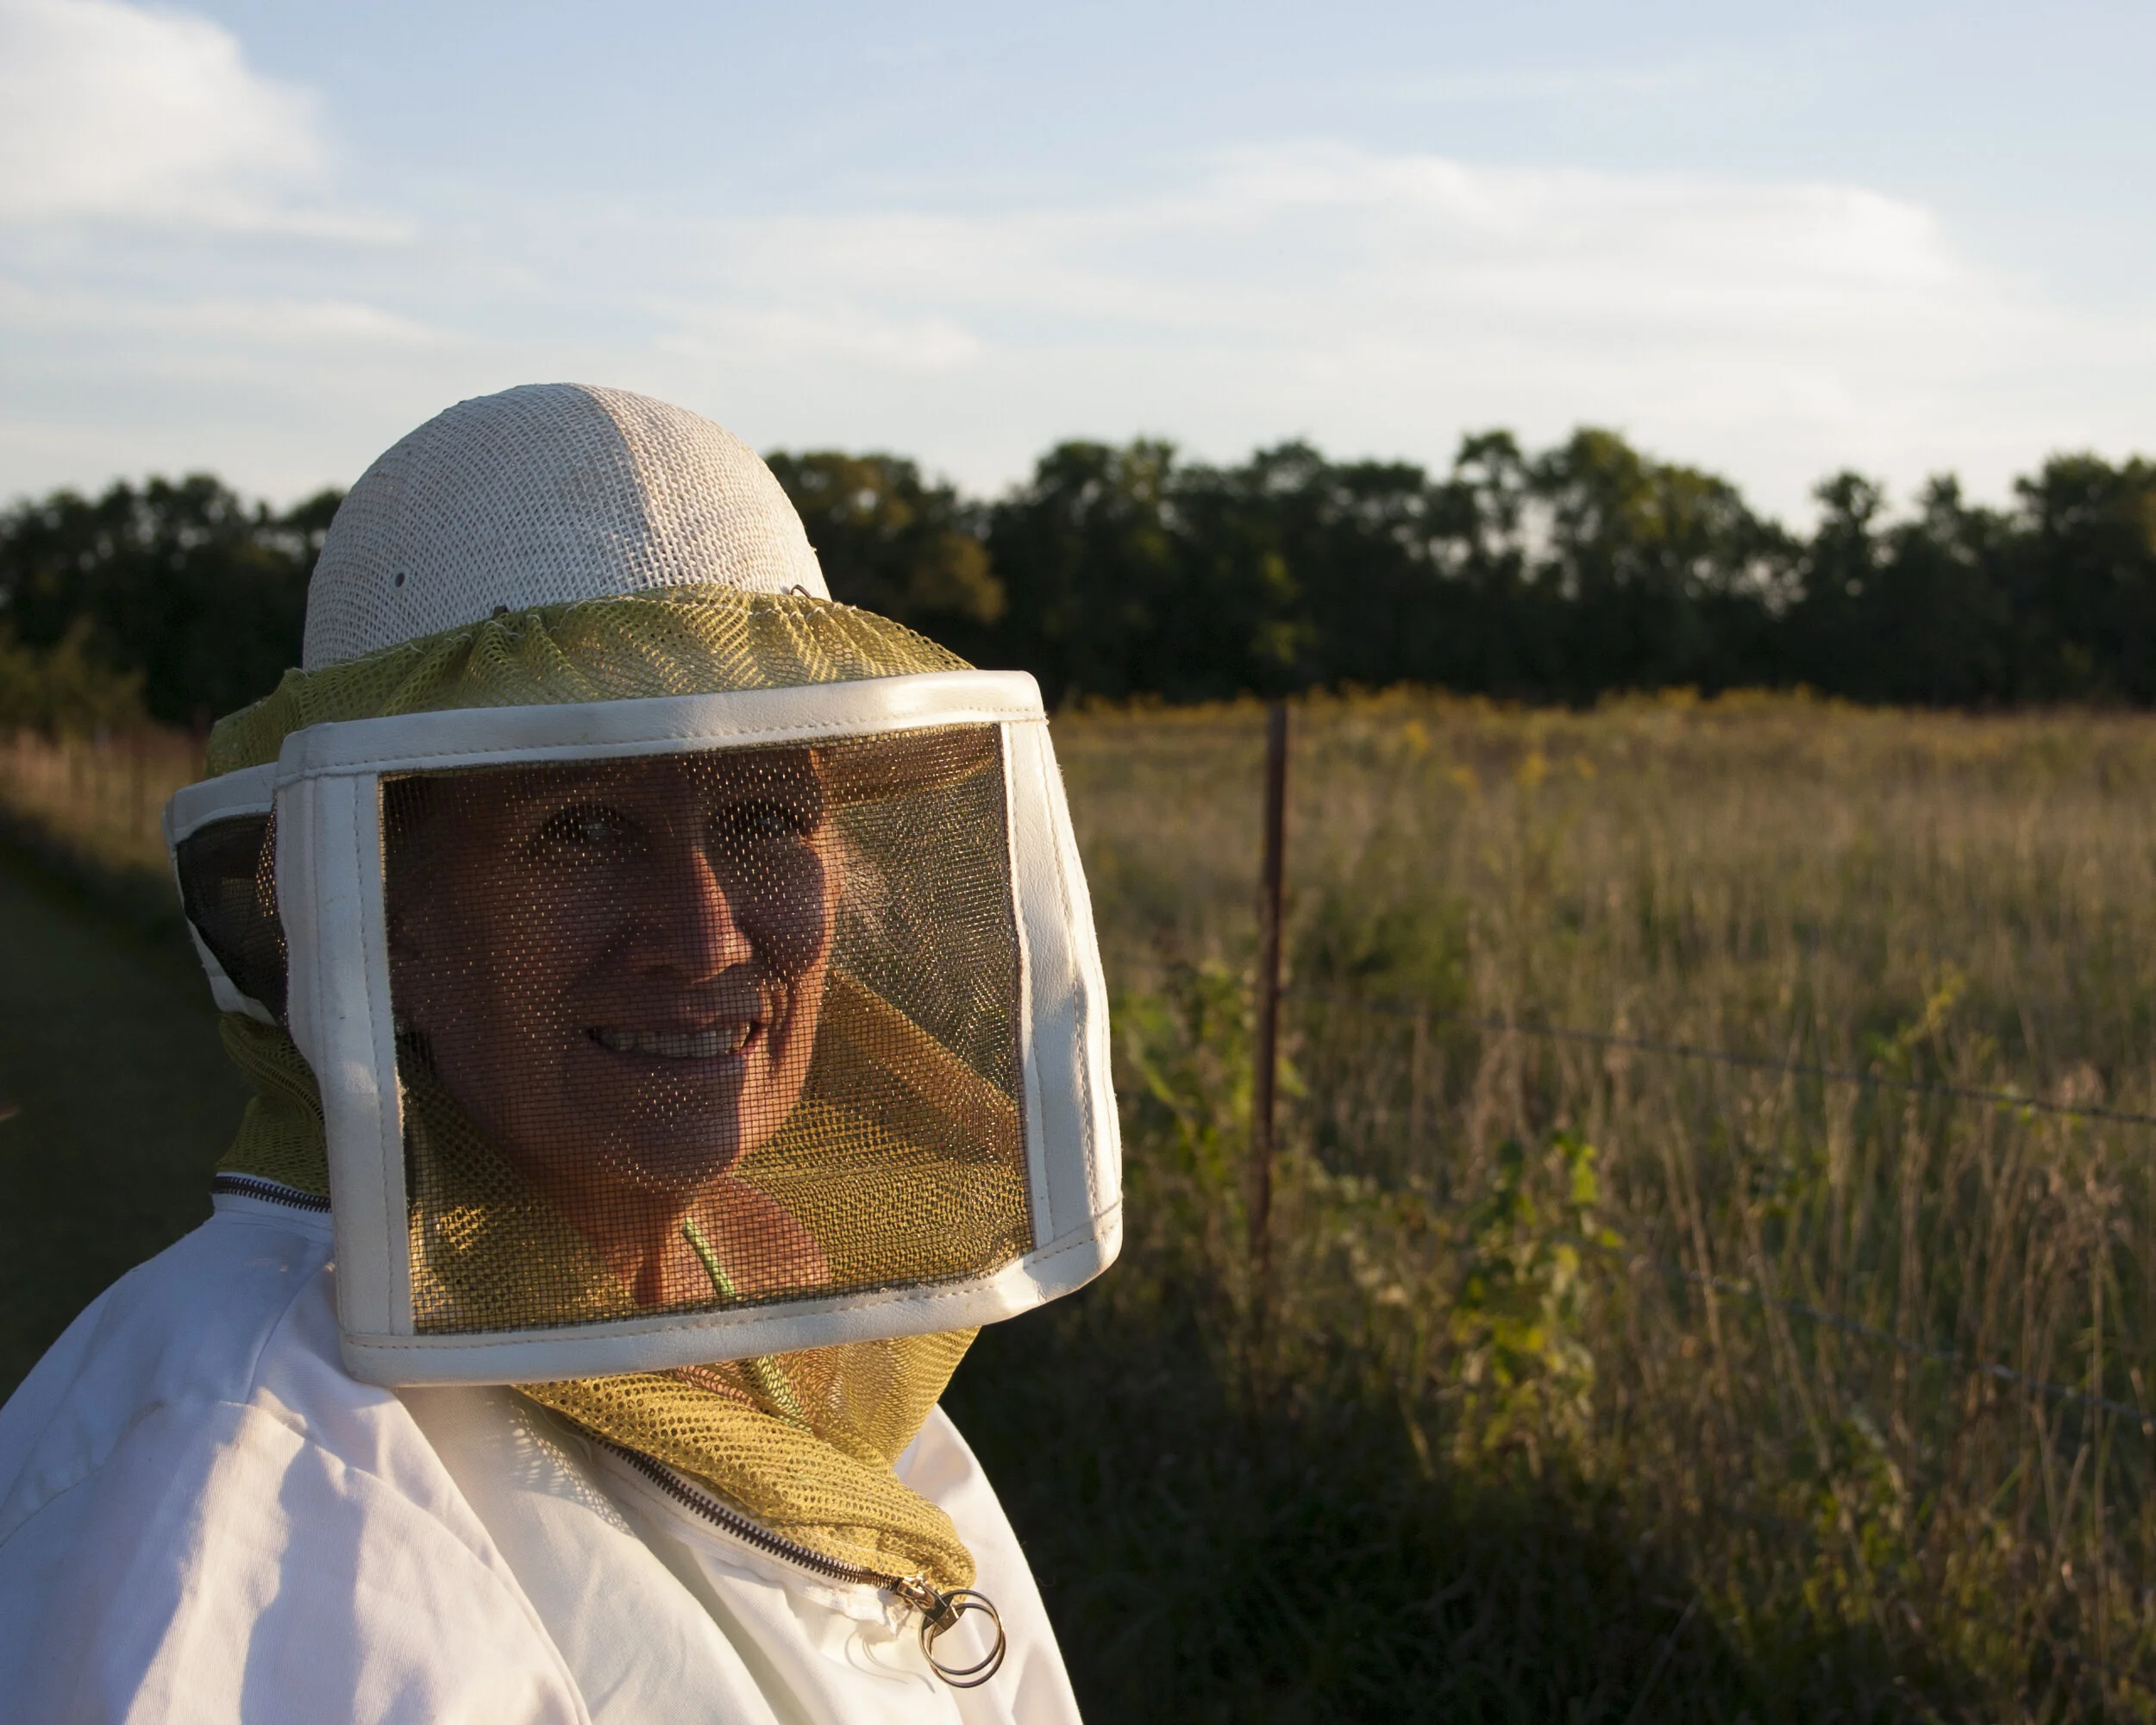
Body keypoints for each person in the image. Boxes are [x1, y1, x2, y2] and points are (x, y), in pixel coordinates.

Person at [0, 384, 1119, 1723]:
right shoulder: (241, 1473)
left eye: (766, 815)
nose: (705, 937)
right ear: (374, 914)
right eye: (582, 829)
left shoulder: (770, 1310)